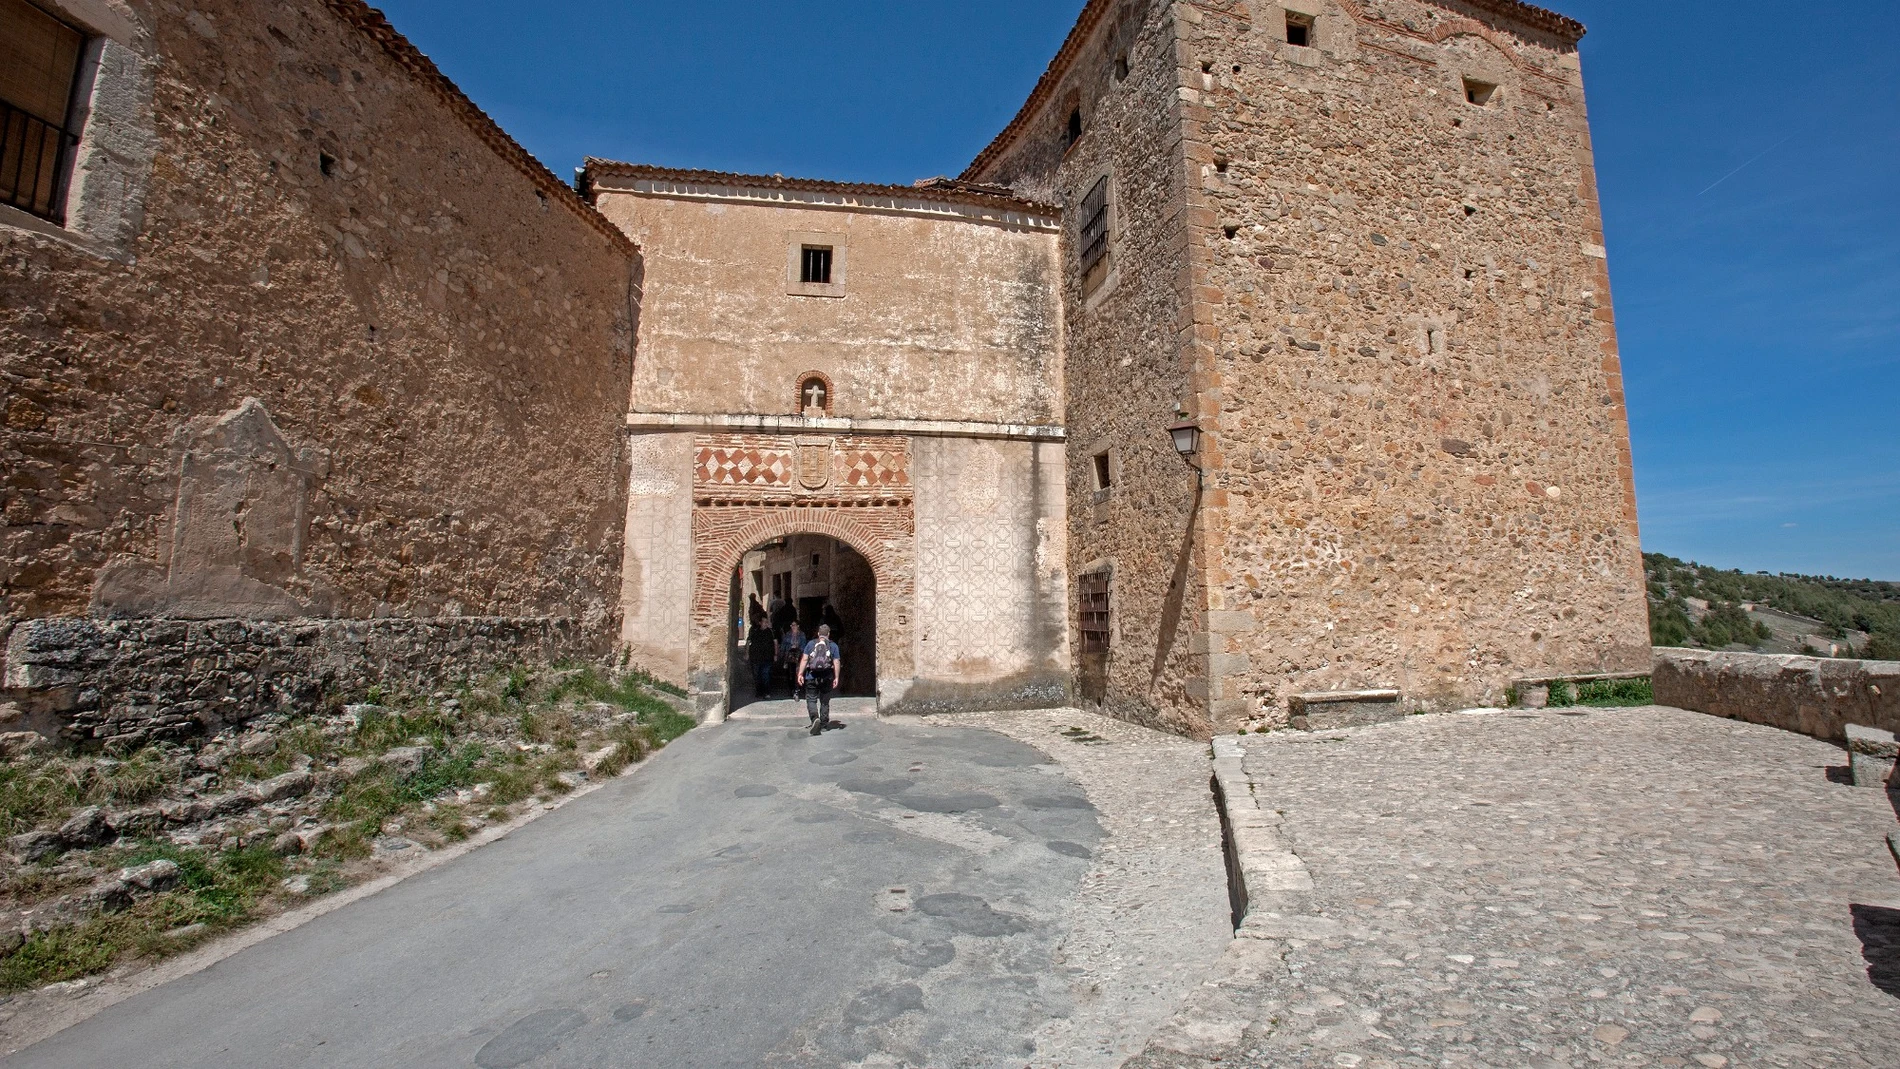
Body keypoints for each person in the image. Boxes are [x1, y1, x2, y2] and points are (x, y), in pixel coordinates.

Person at [797, 624, 842, 735]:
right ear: (828, 634)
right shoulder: (833, 646)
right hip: (827, 677)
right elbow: (836, 662)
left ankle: (814, 719)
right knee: (825, 701)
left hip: (811, 676)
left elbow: (804, 659)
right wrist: (836, 677)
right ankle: (824, 725)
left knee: (811, 699)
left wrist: (800, 674)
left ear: (818, 634)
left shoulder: (811, 644)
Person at [746, 620, 775, 696]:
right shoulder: (755, 632)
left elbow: (775, 642)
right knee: (757, 675)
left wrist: (775, 654)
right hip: (756, 657)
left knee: (766, 675)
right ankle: (759, 691)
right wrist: (747, 653)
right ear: (760, 623)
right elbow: (749, 642)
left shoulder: (770, 632)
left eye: (767, 622)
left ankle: (766, 692)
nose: (766, 623)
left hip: (767, 657)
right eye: (764, 622)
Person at [777, 621, 805, 697]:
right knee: (790, 673)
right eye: (791, 625)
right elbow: (783, 644)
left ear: (798, 626)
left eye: (794, 625)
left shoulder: (801, 635)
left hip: (798, 655)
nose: (793, 627)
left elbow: (803, 645)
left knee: (798, 672)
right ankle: (791, 688)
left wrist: (798, 648)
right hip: (789, 655)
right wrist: (781, 654)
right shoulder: (788, 634)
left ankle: (797, 689)